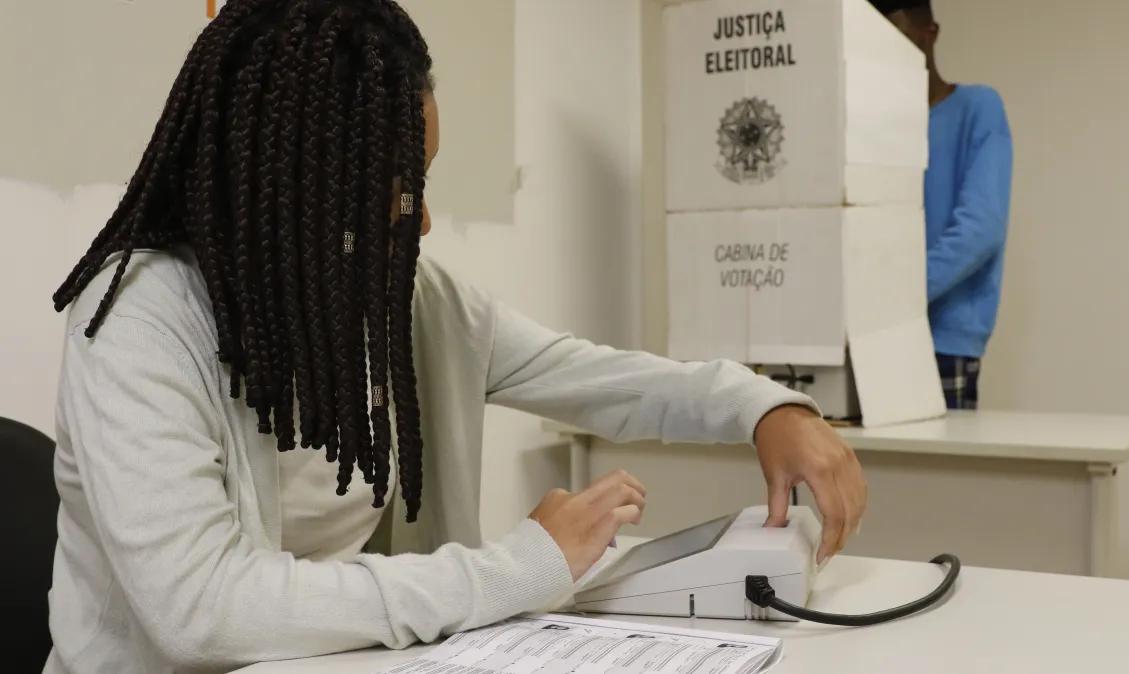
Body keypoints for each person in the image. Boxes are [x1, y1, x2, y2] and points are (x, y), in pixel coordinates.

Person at [43, 1, 867, 671]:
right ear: (297, 185)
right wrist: (522, 563)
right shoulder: (137, 321)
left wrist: (764, 409)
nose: (424, 217)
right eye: (400, 187)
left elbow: (599, 376)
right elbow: (205, 612)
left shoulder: (402, 297)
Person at [872, 0, 1014, 409]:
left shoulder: (977, 107)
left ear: (928, 34)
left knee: (934, 473)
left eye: (893, 35)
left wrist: (893, 295)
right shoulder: (874, 127)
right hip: (871, 337)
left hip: (944, 338)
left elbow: (981, 228)